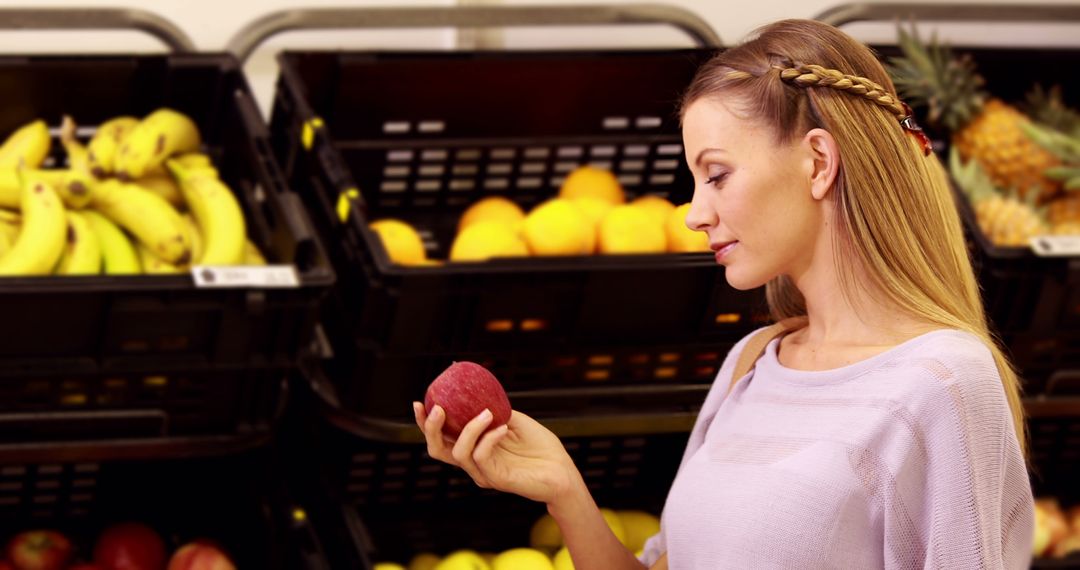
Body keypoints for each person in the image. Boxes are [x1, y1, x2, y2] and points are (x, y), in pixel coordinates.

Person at [413, 18, 1034, 569]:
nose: (693, 213)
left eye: (717, 175)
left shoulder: (943, 382)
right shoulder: (751, 364)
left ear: (818, 163)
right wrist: (563, 490)